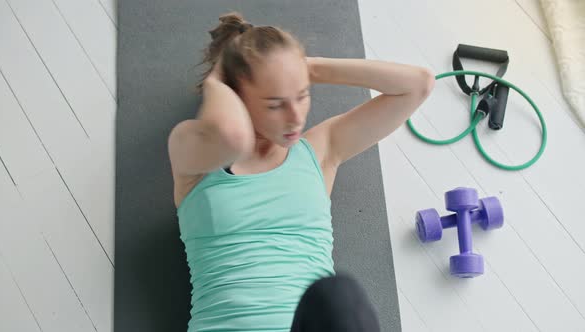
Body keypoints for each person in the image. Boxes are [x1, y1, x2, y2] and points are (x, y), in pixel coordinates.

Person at [168, 11, 434, 332]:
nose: (295, 117)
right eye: (274, 104)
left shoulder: (319, 150)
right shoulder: (195, 155)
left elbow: (418, 85)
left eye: (302, 96)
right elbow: (231, 136)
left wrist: (306, 69)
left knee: (339, 297)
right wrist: (217, 79)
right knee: (338, 293)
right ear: (237, 97)